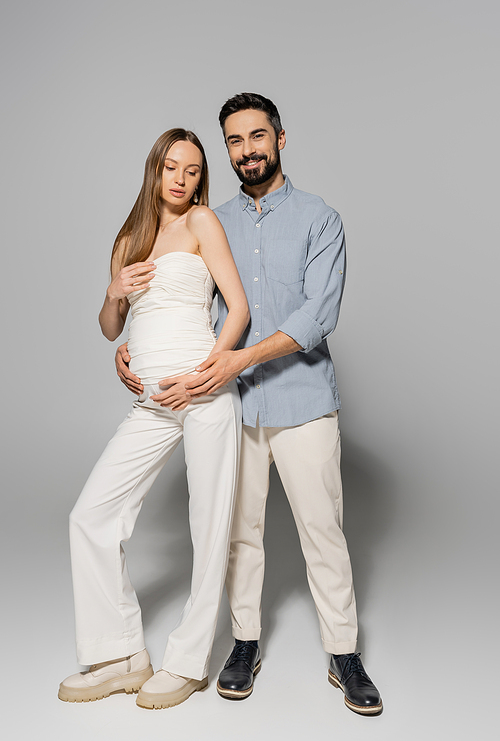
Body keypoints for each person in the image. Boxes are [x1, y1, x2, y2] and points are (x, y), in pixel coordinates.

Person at [116, 94, 382, 716]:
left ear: (281, 139)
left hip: (303, 398)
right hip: (229, 404)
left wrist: (239, 359)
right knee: (240, 532)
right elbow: (184, 303)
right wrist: (132, 343)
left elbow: (316, 317)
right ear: (227, 151)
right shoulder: (211, 221)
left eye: (257, 137)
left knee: (323, 530)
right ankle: (244, 643)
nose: (247, 150)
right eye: (234, 142)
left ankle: (344, 653)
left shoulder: (321, 218)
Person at [58, 128, 249, 710]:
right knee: (90, 516)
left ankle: (187, 662)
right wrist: (115, 293)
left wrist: (212, 370)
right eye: (172, 168)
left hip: (204, 393)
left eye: (193, 171)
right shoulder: (129, 238)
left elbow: (237, 309)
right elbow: (111, 326)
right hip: (151, 402)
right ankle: (120, 656)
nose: (182, 180)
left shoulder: (202, 224)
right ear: (155, 169)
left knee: (207, 527)